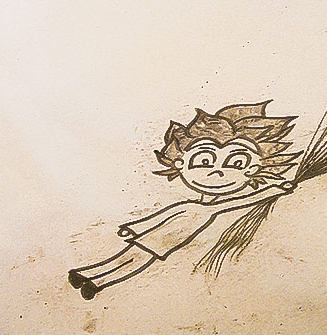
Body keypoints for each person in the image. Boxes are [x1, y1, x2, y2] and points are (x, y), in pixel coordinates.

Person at [68, 101, 299, 299]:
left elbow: (240, 201)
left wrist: (274, 190)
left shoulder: (207, 210)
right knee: (131, 257)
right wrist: (134, 228)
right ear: (180, 163)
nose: (218, 172)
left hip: (167, 241)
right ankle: (92, 276)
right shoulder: (193, 207)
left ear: (254, 169)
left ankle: (95, 280)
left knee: (134, 259)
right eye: (204, 161)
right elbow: (163, 216)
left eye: (236, 163)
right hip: (159, 237)